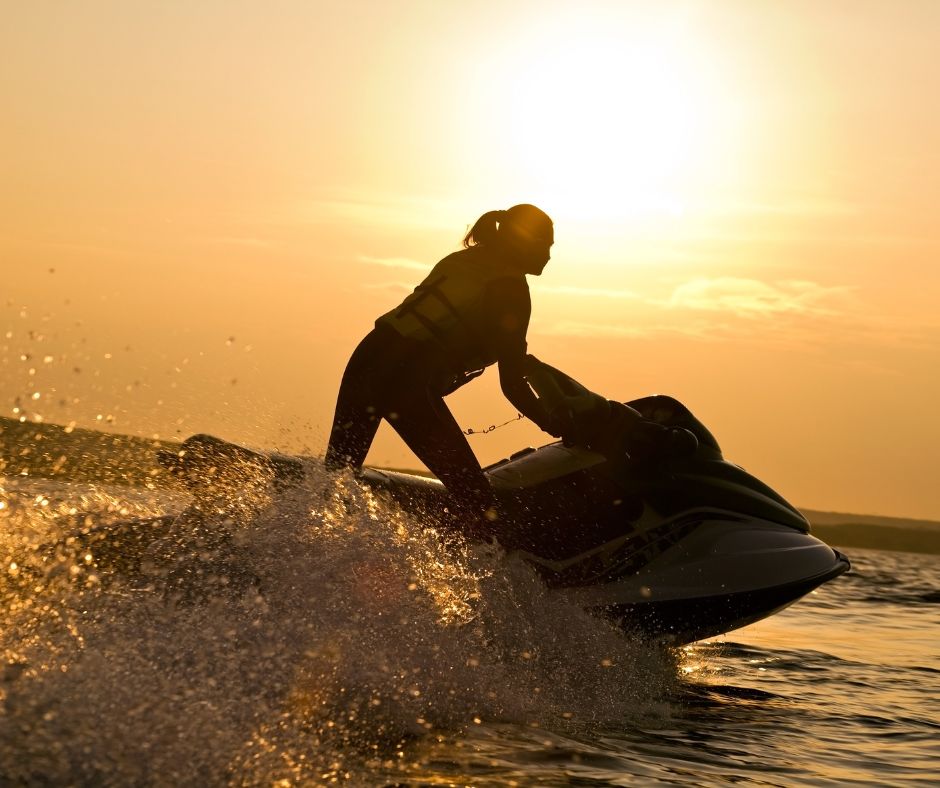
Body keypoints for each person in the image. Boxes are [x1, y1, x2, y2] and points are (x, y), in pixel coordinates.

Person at [325, 204, 568, 531]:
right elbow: (510, 384)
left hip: (366, 359)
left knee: (337, 477)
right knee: (481, 505)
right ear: (523, 242)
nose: (549, 256)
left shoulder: (464, 261)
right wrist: (556, 426)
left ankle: (297, 549)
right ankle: (462, 564)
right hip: (406, 384)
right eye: (545, 245)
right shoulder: (510, 289)